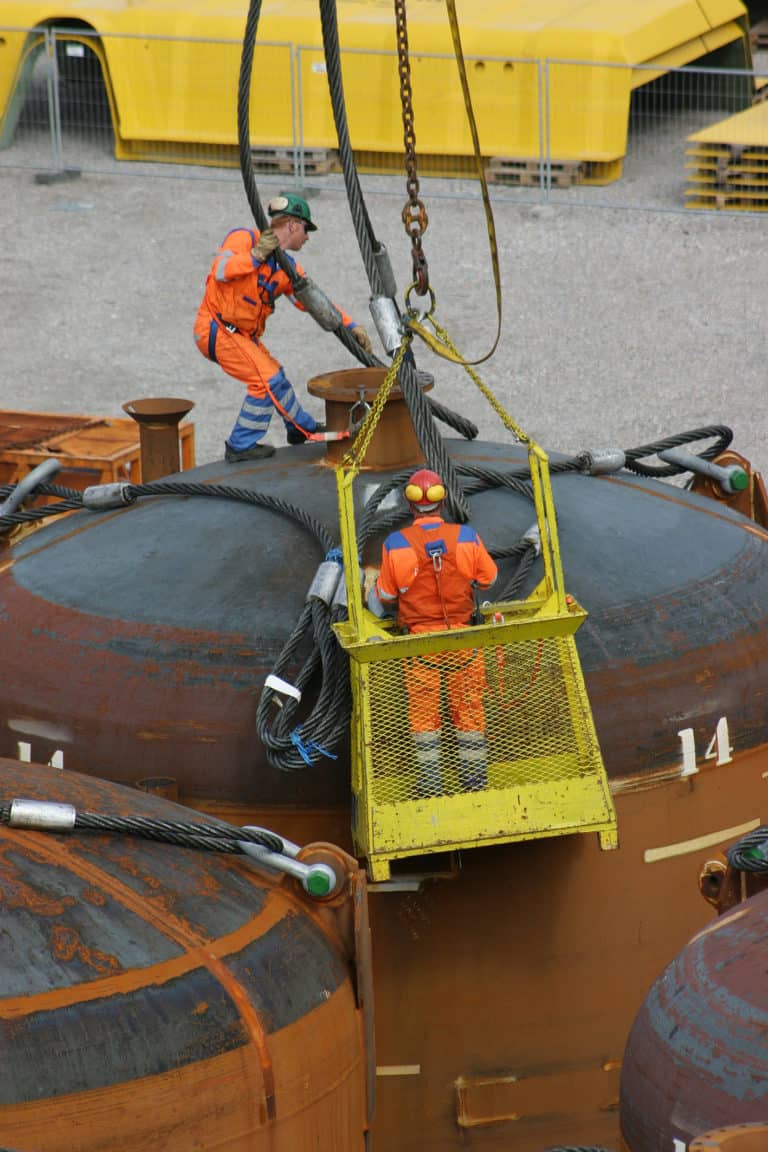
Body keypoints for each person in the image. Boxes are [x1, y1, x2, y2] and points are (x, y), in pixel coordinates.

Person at [194, 193, 373, 463]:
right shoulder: (244, 239)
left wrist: (351, 326)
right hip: (217, 328)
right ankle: (240, 445)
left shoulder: (286, 268)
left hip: (241, 336)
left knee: (277, 377)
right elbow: (221, 269)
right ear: (292, 225)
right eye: (306, 229)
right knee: (266, 381)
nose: (307, 237)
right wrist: (256, 256)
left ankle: (299, 428)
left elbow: (315, 302)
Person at [367, 468, 498, 796]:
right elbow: (489, 579)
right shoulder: (466, 537)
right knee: (468, 709)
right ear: (442, 501)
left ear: (410, 505)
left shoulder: (396, 544)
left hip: (420, 646)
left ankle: (430, 786)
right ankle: (475, 784)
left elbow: (384, 596)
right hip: (464, 641)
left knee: (424, 716)